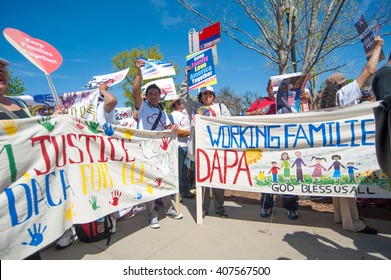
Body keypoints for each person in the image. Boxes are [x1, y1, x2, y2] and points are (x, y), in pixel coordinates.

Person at [318, 35, 384, 234]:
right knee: (346, 184)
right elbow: (369, 71)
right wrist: (378, 48)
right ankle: (352, 222)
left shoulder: (327, 101)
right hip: (346, 146)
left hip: (333, 146)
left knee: (338, 185)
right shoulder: (343, 95)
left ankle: (340, 217)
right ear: (340, 85)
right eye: (344, 81)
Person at [0, 58, 62, 259]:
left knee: (27, 247)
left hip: (27, 185)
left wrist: (58, 121)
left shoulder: (18, 103)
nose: (0, 73)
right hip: (4, 188)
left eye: (2, 69)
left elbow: (36, 133)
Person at [56, 82, 118, 248]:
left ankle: (109, 220)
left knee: (104, 190)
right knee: (74, 193)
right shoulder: (72, 113)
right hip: (77, 158)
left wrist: (103, 90)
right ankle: (70, 230)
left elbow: (112, 101)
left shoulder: (101, 109)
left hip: (99, 157)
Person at [245, 79, 311, 220]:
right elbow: (245, 116)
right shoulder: (260, 101)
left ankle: (291, 208)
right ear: (266, 88)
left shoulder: (291, 102)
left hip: (287, 146)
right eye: (271, 88)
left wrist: (307, 101)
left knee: (288, 176)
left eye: (276, 89)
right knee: (268, 177)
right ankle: (266, 206)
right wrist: (253, 114)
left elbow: (307, 115)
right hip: (267, 147)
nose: (273, 91)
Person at [133, 59, 182, 229]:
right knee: (150, 184)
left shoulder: (163, 112)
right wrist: (139, 73)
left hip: (162, 152)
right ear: (146, 96)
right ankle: (152, 215)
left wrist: (174, 127)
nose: (154, 96)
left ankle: (169, 208)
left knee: (165, 179)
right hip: (146, 151)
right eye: (150, 94)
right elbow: (135, 90)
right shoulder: (142, 107)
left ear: (160, 95)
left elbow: (168, 128)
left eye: (156, 94)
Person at [180, 66, 231, 218]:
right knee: (202, 182)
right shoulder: (194, 108)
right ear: (200, 96)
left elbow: (230, 124)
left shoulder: (221, 108)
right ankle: (203, 208)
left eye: (210, 93)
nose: (207, 95)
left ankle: (220, 208)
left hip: (216, 150)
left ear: (214, 96)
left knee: (217, 183)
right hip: (201, 152)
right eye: (204, 93)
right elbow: (183, 96)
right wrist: (186, 78)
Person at [169, 98, 195, 199]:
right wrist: (189, 133)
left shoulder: (186, 115)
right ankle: (177, 193)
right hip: (178, 145)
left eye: (182, 101)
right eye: (179, 102)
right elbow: (174, 130)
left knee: (186, 170)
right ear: (175, 103)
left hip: (187, 146)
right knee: (178, 171)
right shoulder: (173, 115)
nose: (181, 103)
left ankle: (185, 190)